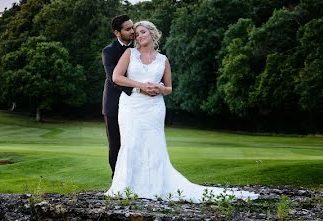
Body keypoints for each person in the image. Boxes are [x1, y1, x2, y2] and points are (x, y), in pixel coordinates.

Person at [105, 21, 257, 202]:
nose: (140, 36)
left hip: (154, 108)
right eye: (137, 34)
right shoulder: (130, 53)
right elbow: (116, 77)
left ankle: (155, 188)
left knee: (154, 145)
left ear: (152, 33)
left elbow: (169, 88)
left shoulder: (163, 59)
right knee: (131, 143)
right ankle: (127, 187)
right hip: (131, 105)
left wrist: (160, 89)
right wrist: (141, 86)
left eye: (143, 32)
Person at [101, 15, 137, 177]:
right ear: (117, 32)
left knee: (135, 143)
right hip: (113, 104)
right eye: (128, 29)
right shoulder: (109, 51)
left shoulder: (140, 47)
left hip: (138, 105)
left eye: (133, 27)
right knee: (115, 143)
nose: (132, 31)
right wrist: (138, 90)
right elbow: (113, 78)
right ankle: (117, 179)